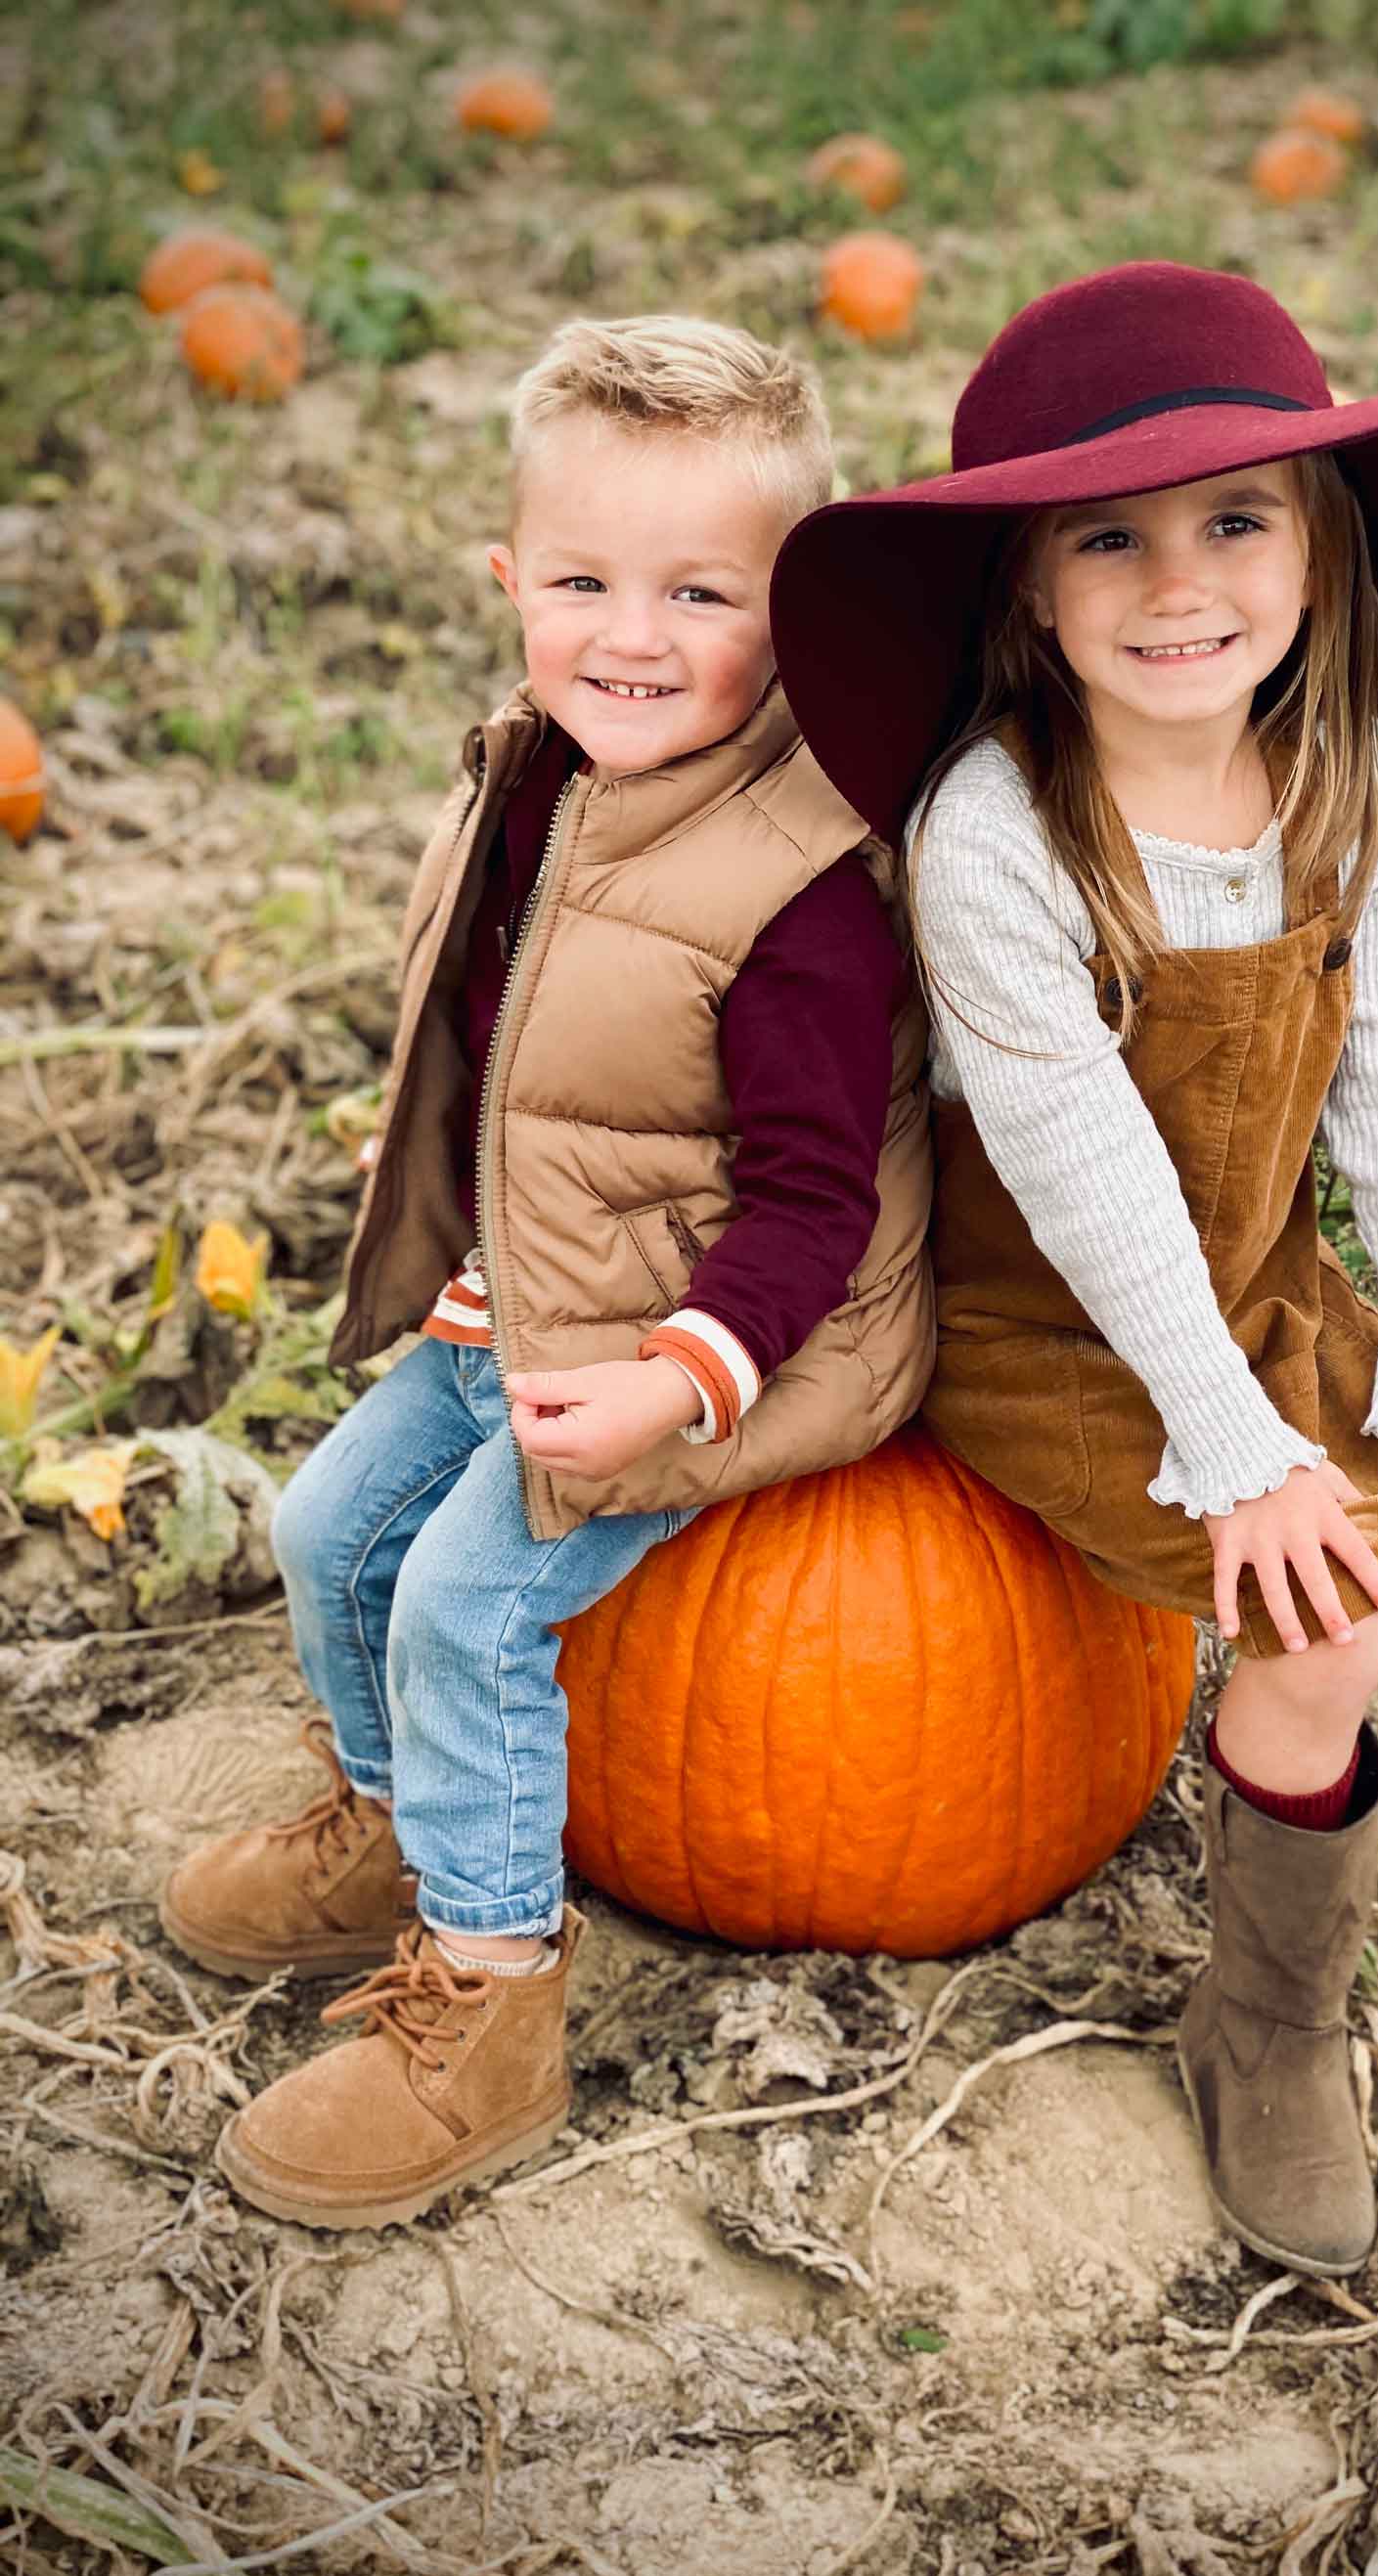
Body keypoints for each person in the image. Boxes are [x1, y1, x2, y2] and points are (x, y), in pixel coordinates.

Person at [768, 261, 1378, 2279]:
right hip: (1061, 1333)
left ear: (1319, 544)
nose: (1177, 579)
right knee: (1332, 1614)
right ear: (1025, 587)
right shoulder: (999, 832)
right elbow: (1084, 1176)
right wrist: (1240, 1448)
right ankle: (1260, 2025)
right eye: (1110, 535)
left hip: (1257, 1279)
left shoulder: (1351, 778)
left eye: (1236, 518)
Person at [158, 315, 934, 2230]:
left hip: (747, 1327)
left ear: (798, 610)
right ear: (509, 583)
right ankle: (398, 1819)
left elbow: (815, 1199)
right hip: (541, 1288)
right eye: (583, 580)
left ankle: (492, 1996)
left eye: (702, 590)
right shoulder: (537, 769)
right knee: (328, 1518)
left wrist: (679, 1376)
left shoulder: (802, 881)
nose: (634, 634)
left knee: (462, 1601)